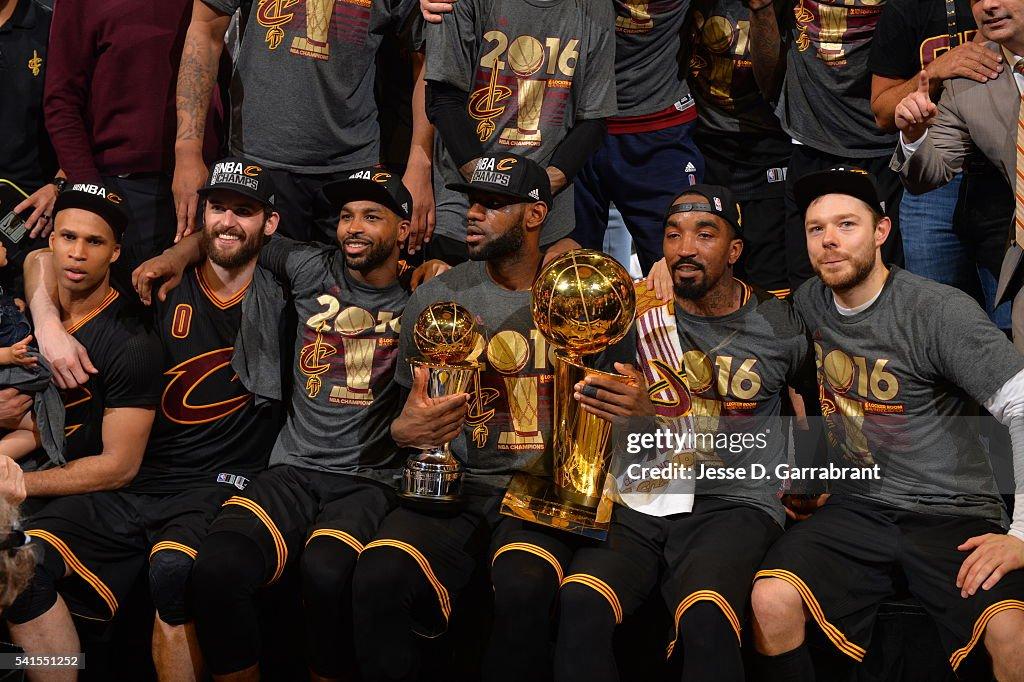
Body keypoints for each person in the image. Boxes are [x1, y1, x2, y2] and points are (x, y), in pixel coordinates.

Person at [352, 152, 625, 681]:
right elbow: (406, 415)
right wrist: (404, 432)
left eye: (494, 204)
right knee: (377, 574)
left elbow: (619, 409)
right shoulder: (437, 294)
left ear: (534, 216)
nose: (473, 213)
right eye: (473, 202)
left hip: (543, 491)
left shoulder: (587, 298)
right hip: (455, 488)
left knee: (525, 586)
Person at [751, 167, 1024, 680]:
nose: (830, 241)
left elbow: (1022, 405)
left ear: (881, 232)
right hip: (860, 506)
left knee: (1013, 633)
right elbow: (750, 329)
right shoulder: (810, 301)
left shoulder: (937, 311)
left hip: (952, 510)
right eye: (816, 229)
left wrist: (1023, 533)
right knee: (771, 598)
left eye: (846, 225)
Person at [146, 167, 415, 681]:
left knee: (327, 572)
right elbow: (231, 238)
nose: (354, 227)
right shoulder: (308, 265)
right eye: (345, 216)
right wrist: (175, 254)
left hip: (369, 477)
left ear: (403, 230)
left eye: (371, 216)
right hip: (291, 468)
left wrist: (436, 267)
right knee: (217, 568)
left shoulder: (421, 298)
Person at [554, 184, 811, 682]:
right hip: (646, 495)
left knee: (706, 617)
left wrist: (808, 476)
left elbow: (808, 406)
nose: (685, 248)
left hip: (734, 501)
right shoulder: (633, 315)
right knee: (580, 600)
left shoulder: (781, 325)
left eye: (704, 234)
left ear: (734, 251)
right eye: (673, 235)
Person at [3, 183, 163, 667]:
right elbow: (33, 263)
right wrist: (47, 322)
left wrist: (18, 483)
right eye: (67, 237)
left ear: (116, 252)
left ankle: (54, 674)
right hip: (22, 465)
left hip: (84, 497)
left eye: (94, 242)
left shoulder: (132, 341)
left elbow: (119, 467)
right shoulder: (29, 299)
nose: (77, 253)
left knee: (16, 567)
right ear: (50, 241)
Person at [172, 0, 422, 246]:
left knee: (345, 286)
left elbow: (423, 57)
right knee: (261, 283)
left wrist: (419, 167)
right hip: (261, 161)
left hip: (353, 165)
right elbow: (205, 31)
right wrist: (187, 152)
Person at [421, 0, 617, 265]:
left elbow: (593, 119)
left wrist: (536, 192)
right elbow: (442, 100)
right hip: (465, 206)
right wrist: (489, 190)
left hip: (544, 216)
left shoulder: (597, 8)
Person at [44, 0, 226, 281]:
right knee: (127, 315)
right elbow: (61, 101)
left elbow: (225, 78)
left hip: (204, 183)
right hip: (120, 187)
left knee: (194, 320)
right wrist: (92, 193)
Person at [890, 0, 1024, 350]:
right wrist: (914, 136)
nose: (989, 5)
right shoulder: (970, 79)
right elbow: (928, 176)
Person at [748, 0, 904, 290]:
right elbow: (768, 84)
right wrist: (761, 10)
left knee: (889, 290)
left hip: (890, 150)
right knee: (809, 292)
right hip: (811, 145)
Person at [689, 0, 792, 297]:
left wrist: (762, 10)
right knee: (709, 279)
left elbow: (773, 83)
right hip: (705, 145)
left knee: (770, 285)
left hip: (771, 147)